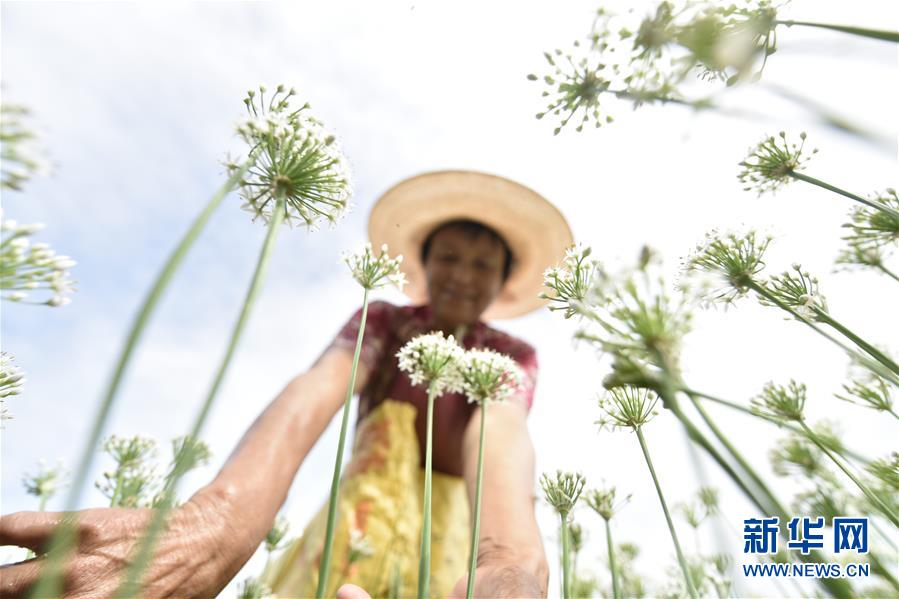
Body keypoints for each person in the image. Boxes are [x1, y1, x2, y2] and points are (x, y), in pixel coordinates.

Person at [0, 170, 572, 598]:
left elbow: (499, 431)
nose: (463, 276)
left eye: (482, 265)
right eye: (450, 257)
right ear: (425, 263)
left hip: (455, 535)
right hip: (359, 518)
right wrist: (218, 522)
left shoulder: (511, 354)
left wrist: (507, 561)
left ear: (501, 280)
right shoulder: (386, 322)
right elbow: (318, 388)